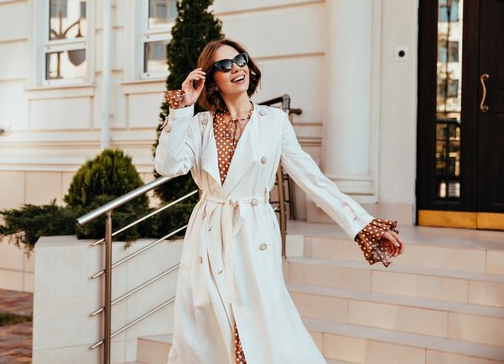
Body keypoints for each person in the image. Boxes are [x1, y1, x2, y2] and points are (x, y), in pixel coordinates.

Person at [154, 38, 405, 364]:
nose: (237, 68)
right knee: (205, 335)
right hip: (207, 235)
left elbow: (314, 182)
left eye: (241, 59)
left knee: (263, 328)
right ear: (211, 78)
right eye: (225, 65)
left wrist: (365, 226)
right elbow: (168, 165)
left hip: (253, 233)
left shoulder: (274, 122)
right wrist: (182, 107)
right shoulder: (199, 124)